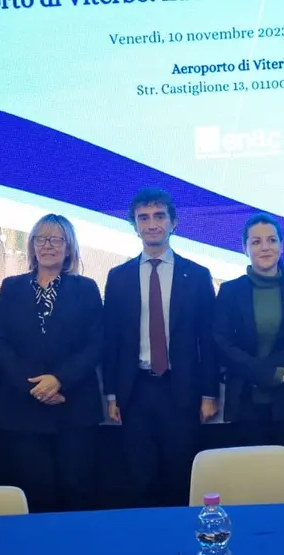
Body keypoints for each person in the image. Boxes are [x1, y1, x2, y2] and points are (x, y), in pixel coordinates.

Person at [103, 188, 218, 507]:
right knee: (139, 477)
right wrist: (111, 395)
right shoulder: (119, 277)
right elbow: (111, 340)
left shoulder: (197, 275)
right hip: (135, 390)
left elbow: (208, 340)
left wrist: (209, 393)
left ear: (173, 222)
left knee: (181, 475)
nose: (151, 224)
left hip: (181, 389)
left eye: (159, 216)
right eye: (143, 218)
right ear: (134, 226)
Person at [0, 214, 103, 512]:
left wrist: (59, 380)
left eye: (56, 239)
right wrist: (35, 386)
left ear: (69, 247)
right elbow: (0, 342)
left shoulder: (86, 288)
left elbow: (96, 344)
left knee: (77, 489)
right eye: (41, 239)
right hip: (24, 408)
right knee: (34, 491)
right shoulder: (11, 287)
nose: (48, 245)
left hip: (74, 406)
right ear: (31, 246)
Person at [213, 213, 284, 495]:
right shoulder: (230, 291)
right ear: (244, 248)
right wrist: (261, 373)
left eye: (272, 240)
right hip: (247, 404)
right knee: (254, 483)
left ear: (282, 246)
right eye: (256, 241)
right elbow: (222, 342)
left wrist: (272, 368)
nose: (265, 247)